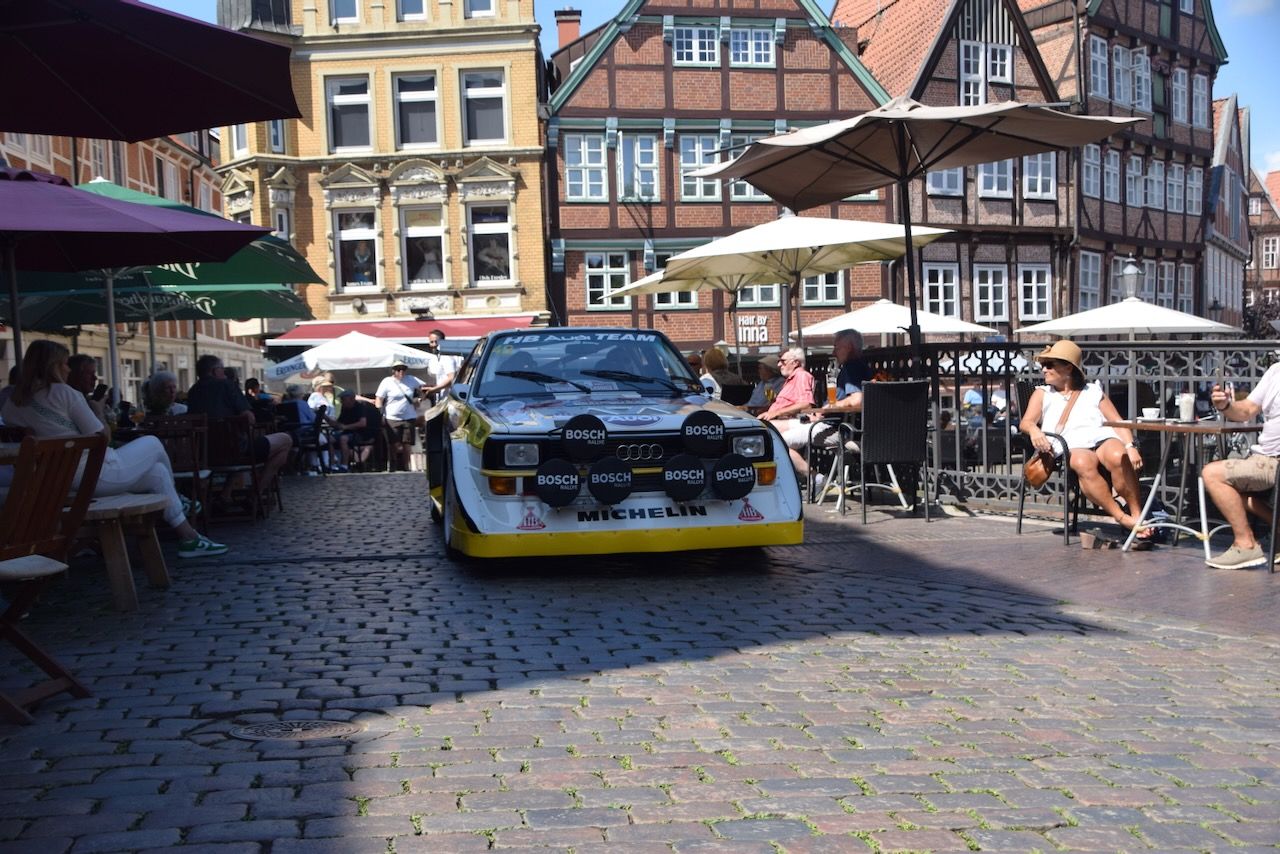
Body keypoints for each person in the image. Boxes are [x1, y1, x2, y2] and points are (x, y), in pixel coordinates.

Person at [1, 341, 226, 559]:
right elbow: (102, 437)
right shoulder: (64, 393)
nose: (68, 369)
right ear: (54, 366)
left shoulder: (13, 403)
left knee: (157, 473)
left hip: (51, 483)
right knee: (153, 442)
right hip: (93, 477)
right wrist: (98, 409)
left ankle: (189, 538)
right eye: (65, 363)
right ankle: (179, 497)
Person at [1019, 340, 1149, 540]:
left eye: (1050, 365)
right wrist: (1035, 431)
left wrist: (1130, 446)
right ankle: (1122, 518)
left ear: (1068, 367)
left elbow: (1116, 421)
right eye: (1043, 365)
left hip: (1101, 437)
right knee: (1083, 463)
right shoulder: (1042, 393)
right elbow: (1026, 422)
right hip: (1070, 443)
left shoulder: (1093, 390)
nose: (1044, 369)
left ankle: (1137, 515)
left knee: (1119, 456)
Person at [1200, 370, 1280, 569]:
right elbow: (1246, 410)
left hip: (1274, 461)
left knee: (1212, 474)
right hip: (1262, 457)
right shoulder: (1275, 371)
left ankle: (1245, 544)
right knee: (1231, 491)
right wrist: (1225, 405)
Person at [186, 354, 293, 496]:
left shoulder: (192, 392)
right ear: (214, 371)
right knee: (286, 440)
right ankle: (256, 494)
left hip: (204, 454)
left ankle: (226, 493)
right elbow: (249, 418)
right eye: (222, 369)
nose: (224, 372)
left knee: (238, 442)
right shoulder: (227, 385)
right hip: (236, 451)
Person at [779, 330, 873, 478]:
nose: (834, 352)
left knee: (778, 442)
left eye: (837, 347)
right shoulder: (862, 367)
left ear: (848, 347)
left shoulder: (852, 367)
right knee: (776, 431)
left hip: (837, 429)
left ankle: (817, 479)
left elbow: (857, 400)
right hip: (840, 426)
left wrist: (831, 406)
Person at [376, 361, 426, 471]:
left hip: (409, 417)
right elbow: (379, 398)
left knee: (407, 444)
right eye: (398, 369)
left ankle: (406, 467)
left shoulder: (411, 379)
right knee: (393, 444)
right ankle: (393, 465)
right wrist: (380, 413)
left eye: (403, 369)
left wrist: (419, 399)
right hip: (392, 418)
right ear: (393, 371)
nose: (401, 371)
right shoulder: (387, 382)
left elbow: (425, 389)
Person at [759, 347, 815, 425]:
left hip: (791, 422)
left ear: (795, 363)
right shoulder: (791, 379)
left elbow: (805, 404)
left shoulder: (801, 376)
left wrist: (776, 413)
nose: (779, 365)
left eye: (783, 361)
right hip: (778, 421)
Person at [336, 389, 378, 467]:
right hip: (349, 433)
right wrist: (328, 419)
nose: (341, 401)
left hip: (361, 433)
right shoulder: (344, 408)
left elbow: (362, 423)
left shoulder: (360, 407)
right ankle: (332, 464)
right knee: (330, 438)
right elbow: (339, 422)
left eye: (343, 399)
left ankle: (345, 465)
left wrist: (346, 427)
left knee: (343, 439)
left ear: (351, 399)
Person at [66, 353, 111, 427]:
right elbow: (101, 432)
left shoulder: (85, 399)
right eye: (89, 374)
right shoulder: (74, 401)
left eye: (94, 373)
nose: (95, 378)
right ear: (76, 375)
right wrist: (98, 411)